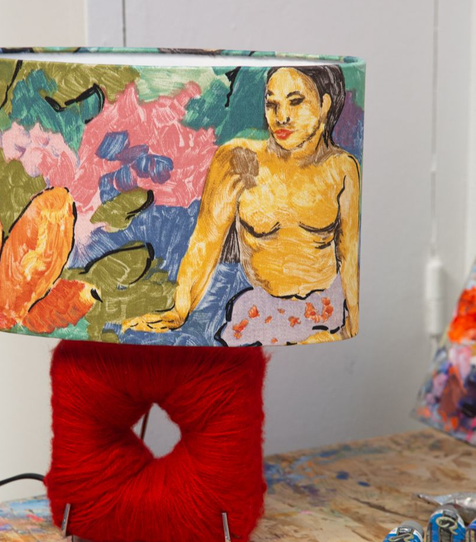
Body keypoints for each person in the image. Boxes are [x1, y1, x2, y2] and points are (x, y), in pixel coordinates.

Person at [123, 65, 360, 345]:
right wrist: (179, 310)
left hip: (324, 313)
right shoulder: (238, 160)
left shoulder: (342, 169)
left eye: (296, 102)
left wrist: (352, 323)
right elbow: (205, 242)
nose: (281, 117)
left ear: (324, 105)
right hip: (259, 310)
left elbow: (349, 256)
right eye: (272, 104)